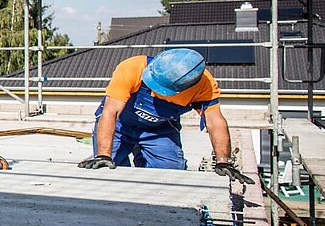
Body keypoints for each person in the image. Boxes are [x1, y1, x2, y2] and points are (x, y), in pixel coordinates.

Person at [77, 48, 253, 185]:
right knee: (109, 173)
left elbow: (215, 121)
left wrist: (224, 161)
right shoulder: (133, 67)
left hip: (159, 131)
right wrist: (103, 155)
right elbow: (111, 112)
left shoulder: (203, 84)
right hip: (119, 127)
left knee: (170, 177)